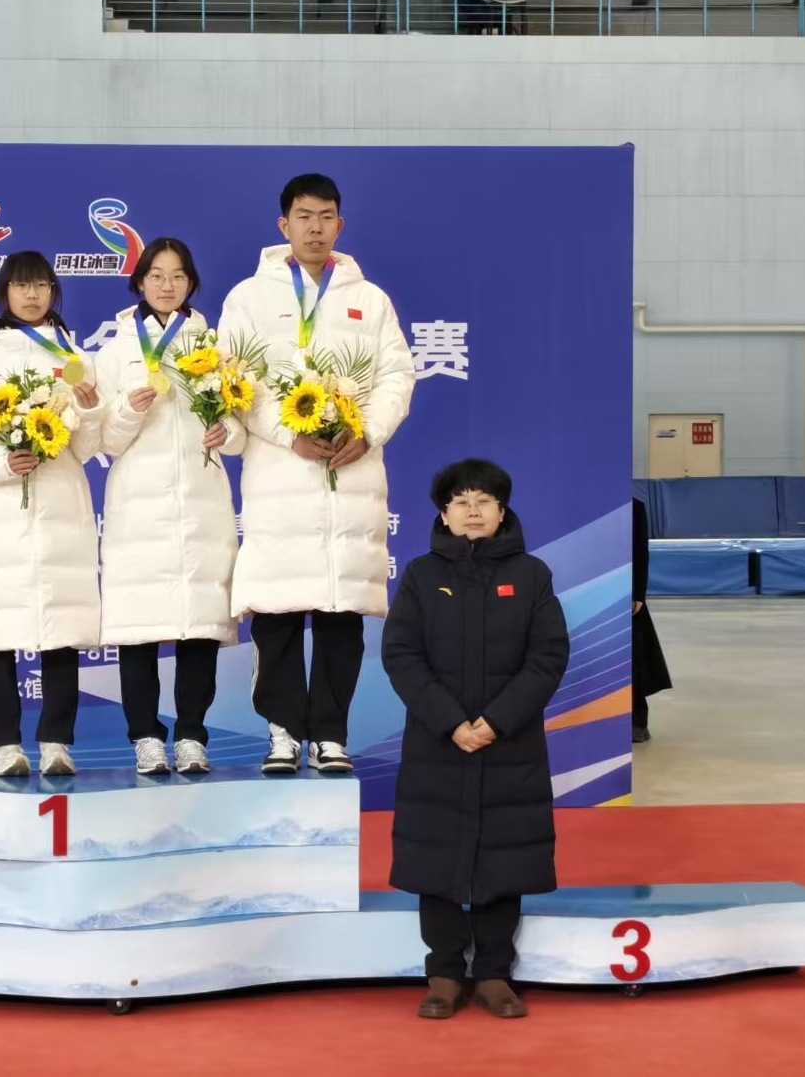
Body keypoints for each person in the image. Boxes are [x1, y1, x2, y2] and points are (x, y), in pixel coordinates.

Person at [218, 173, 416, 775]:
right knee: (277, 614)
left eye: (326, 217)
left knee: (340, 616)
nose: (315, 228)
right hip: (280, 477)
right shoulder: (248, 297)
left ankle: (331, 734)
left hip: (350, 477)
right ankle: (282, 732)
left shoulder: (370, 299)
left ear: (340, 224)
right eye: (304, 217)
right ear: (284, 225)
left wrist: (368, 432)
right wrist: (288, 434)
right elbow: (235, 381)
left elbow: (396, 375)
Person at [382, 459, 570, 1020]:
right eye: (460, 502)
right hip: (437, 744)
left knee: (504, 858)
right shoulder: (421, 575)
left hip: (509, 744)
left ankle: (493, 973)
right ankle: (443, 973)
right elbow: (401, 654)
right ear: (443, 514)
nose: (472, 511)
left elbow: (547, 656)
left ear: (501, 511)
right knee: (434, 858)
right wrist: (450, 722)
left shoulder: (532, 575)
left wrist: (496, 721)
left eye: (483, 501)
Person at [95, 238, 241, 775]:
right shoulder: (114, 351)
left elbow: (240, 424)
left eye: (178, 276)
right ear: (139, 282)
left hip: (201, 501)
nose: (166, 285)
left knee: (199, 627)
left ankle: (192, 735)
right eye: (156, 275)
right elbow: (103, 440)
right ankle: (145, 737)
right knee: (139, 629)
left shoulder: (215, 345)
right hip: (139, 504)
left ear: (191, 283)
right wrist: (128, 411)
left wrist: (228, 432)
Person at [0, 251, 106, 778]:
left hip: (62, 503)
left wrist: (88, 409)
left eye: (41, 285)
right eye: (21, 285)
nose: (32, 295)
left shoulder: (76, 358)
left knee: (60, 626)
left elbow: (88, 447)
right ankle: (4, 745)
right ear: (4, 293)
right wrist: (5, 463)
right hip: (0, 510)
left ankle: (57, 741)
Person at [631, 496, 670, 743]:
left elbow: (639, 552)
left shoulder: (634, 507)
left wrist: (638, 594)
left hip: (625, 594)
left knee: (634, 657)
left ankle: (637, 721)